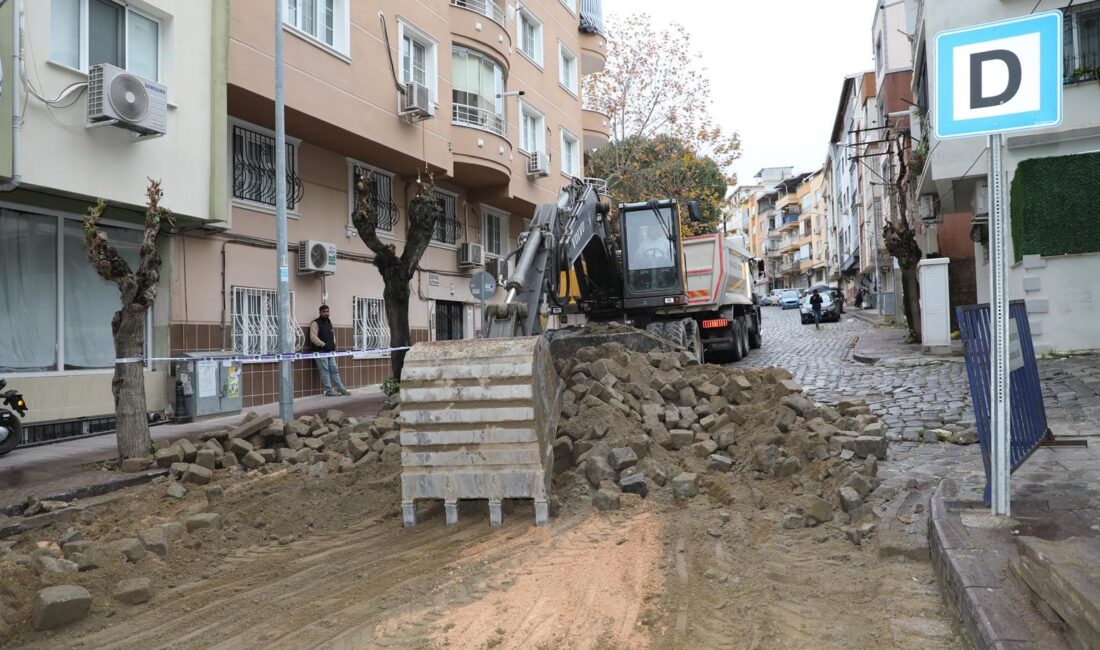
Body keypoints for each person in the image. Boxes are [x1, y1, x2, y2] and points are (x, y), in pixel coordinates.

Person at [309, 305, 350, 397]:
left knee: (334, 370)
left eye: (327, 311)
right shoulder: (315, 323)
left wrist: (333, 344)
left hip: (330, 351)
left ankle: (340, 388)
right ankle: (328, 390)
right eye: (324, 312)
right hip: (320, 352)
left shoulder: (329, 322)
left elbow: (332, 335)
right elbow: (313, 337)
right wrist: (323, 344)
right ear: (320, 312)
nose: (326, 313)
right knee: (325, 371)